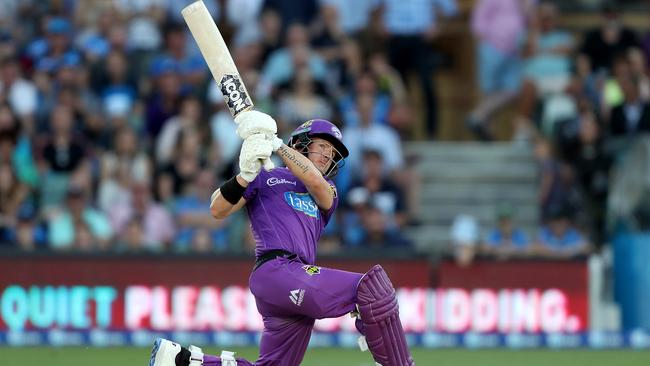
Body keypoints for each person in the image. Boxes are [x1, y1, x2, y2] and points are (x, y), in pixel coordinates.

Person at [149, 112, 414, 365]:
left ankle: (178, 360)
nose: (327, 155)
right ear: (301, 143)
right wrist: (245, 176)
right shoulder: (265, 177)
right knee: (372, 289)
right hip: (276, 271)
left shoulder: (327, 190)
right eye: (322, 146)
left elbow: (313, 179)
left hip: (294, 276)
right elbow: (217, 209)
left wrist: (276, 145)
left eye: (331, 153)